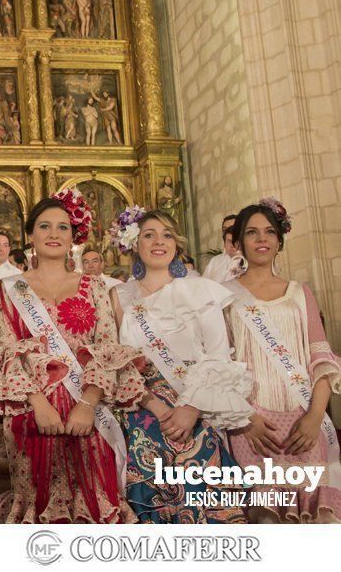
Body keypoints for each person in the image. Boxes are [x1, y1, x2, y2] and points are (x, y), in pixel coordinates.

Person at [0, 190, 136, 523]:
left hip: (89, 414)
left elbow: (107, 348)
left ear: (73, 235)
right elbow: (7, 351)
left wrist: (88, 404)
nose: (54, 234)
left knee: (93, 505)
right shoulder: (10, 288)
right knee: (39, 511)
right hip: (31, 414)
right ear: (31, 235)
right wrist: (39, 404)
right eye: (45, 226)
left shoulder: (95, 286)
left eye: (62, 227)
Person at [108, 208, 249, 523]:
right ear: (134, 244)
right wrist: (154, 406)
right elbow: (117, 361)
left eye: (167, 234)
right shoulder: (118, 297)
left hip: (198, 404)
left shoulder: (200, 290)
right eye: (149, 235)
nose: (159, 241)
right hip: (143, 411)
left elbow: (218, 354)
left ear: (177, 244)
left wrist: (192, 407)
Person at [224, 199, 341, 523]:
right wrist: (246, 418)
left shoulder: (299, 292)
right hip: (253, 425)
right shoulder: (223, 296)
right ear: (238, 242)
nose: (261, 239)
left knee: (309, 518)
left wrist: (316, 416)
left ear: (279, 241)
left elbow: (321, 358)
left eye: (269, 232)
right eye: (251, 232)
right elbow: (218, 366)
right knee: (265, 519)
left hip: (303, 419)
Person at [202, 214, 239, 282]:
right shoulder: (215, 261)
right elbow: (204, 284)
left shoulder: (249, 261)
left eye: (232, 228)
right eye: (225, 229)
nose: (228, 232)